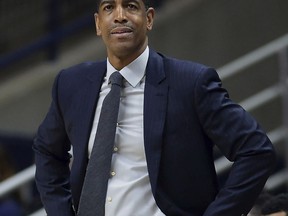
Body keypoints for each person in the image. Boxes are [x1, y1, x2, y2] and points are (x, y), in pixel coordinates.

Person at [33, 0, 276, 215]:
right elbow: (47, 151)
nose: (120, 15)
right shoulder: (71, 84)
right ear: (98, 24)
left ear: (148, 18)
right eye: (109, 7)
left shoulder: (190, 83)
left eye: (130, 6)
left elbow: (256, 150)